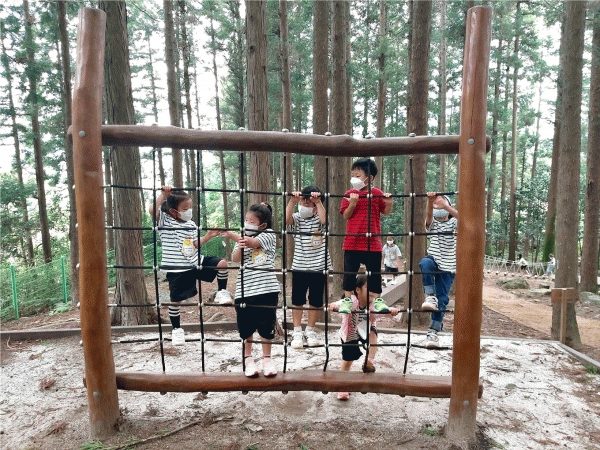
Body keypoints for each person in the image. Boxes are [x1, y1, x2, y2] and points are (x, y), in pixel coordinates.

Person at [150, 186, 232, 346]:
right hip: (177, 267)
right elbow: (152, 210)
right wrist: (163, 195)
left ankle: (221, 291)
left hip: (195, 261)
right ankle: (176, 330)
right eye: (185, 209)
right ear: (173, 211)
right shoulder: (165, 221)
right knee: (175, 301)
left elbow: (194, 244)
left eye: (191, 207)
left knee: (222, 264)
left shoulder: (192, 224)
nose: (189, 211)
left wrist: (208, 236)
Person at [221, 203, 280, 377]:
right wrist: (239, 243)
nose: (247, 223)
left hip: (267, 289)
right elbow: (235, 259)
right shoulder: (242, 237)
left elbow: (253, 243)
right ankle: (248, 359)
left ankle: (267, 359)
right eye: (246, 220)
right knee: (246, 328)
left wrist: (232, 235)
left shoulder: (268, 234)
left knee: (266, 326)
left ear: (262, 225)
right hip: (244, 290)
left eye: (251, 221)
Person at [329, 275, 400, 401]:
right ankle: (342, 386)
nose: (372, 291)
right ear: (358, 289)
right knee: (348, 360)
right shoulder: (351, 301)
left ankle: (369, 361)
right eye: (368, 288)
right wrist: (333, 306)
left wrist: (392, 311)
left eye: (374, 288)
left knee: (373, 333)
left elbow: (384, 311)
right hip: (350, 333)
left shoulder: (374, 304)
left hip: (366, 330)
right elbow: (340, 304)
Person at [339, 158, 393, 314]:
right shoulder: (349, 194)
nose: (354, 179)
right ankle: (347, 300)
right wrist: (352, 203)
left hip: (372, 243)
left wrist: (389, 202)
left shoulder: (376, 194)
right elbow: (346, 215)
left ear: (370, 178)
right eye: (352, 175)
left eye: (358, 176)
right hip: (352, 242)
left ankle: (378, 300)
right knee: (349, 273)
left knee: (375, 273)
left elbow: (386, 212)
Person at [286, 186, 332, 349]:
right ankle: (297, 331)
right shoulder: (297, 218)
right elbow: (287, 220)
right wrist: (292, 201)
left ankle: (310, 330)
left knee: (315, 301)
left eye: (309, 201)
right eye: (303, 199)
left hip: (319, 266)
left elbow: (325, 222)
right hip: (300, 266)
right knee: (297, 300)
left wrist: (318, 202)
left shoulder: (320, 218)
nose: (305, 202)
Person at [419, 192, 458, 349]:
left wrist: (446, 206)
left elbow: (465, 220)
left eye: (441, 204)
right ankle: (430, 296)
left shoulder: (454, 222)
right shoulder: (433, 224)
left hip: (449, 267)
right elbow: (429, 216)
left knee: (442, 300)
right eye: (437, 206)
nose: (438, 207)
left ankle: (433, 332)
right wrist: (430, 202)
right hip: (434, 259)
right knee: (425, 263)